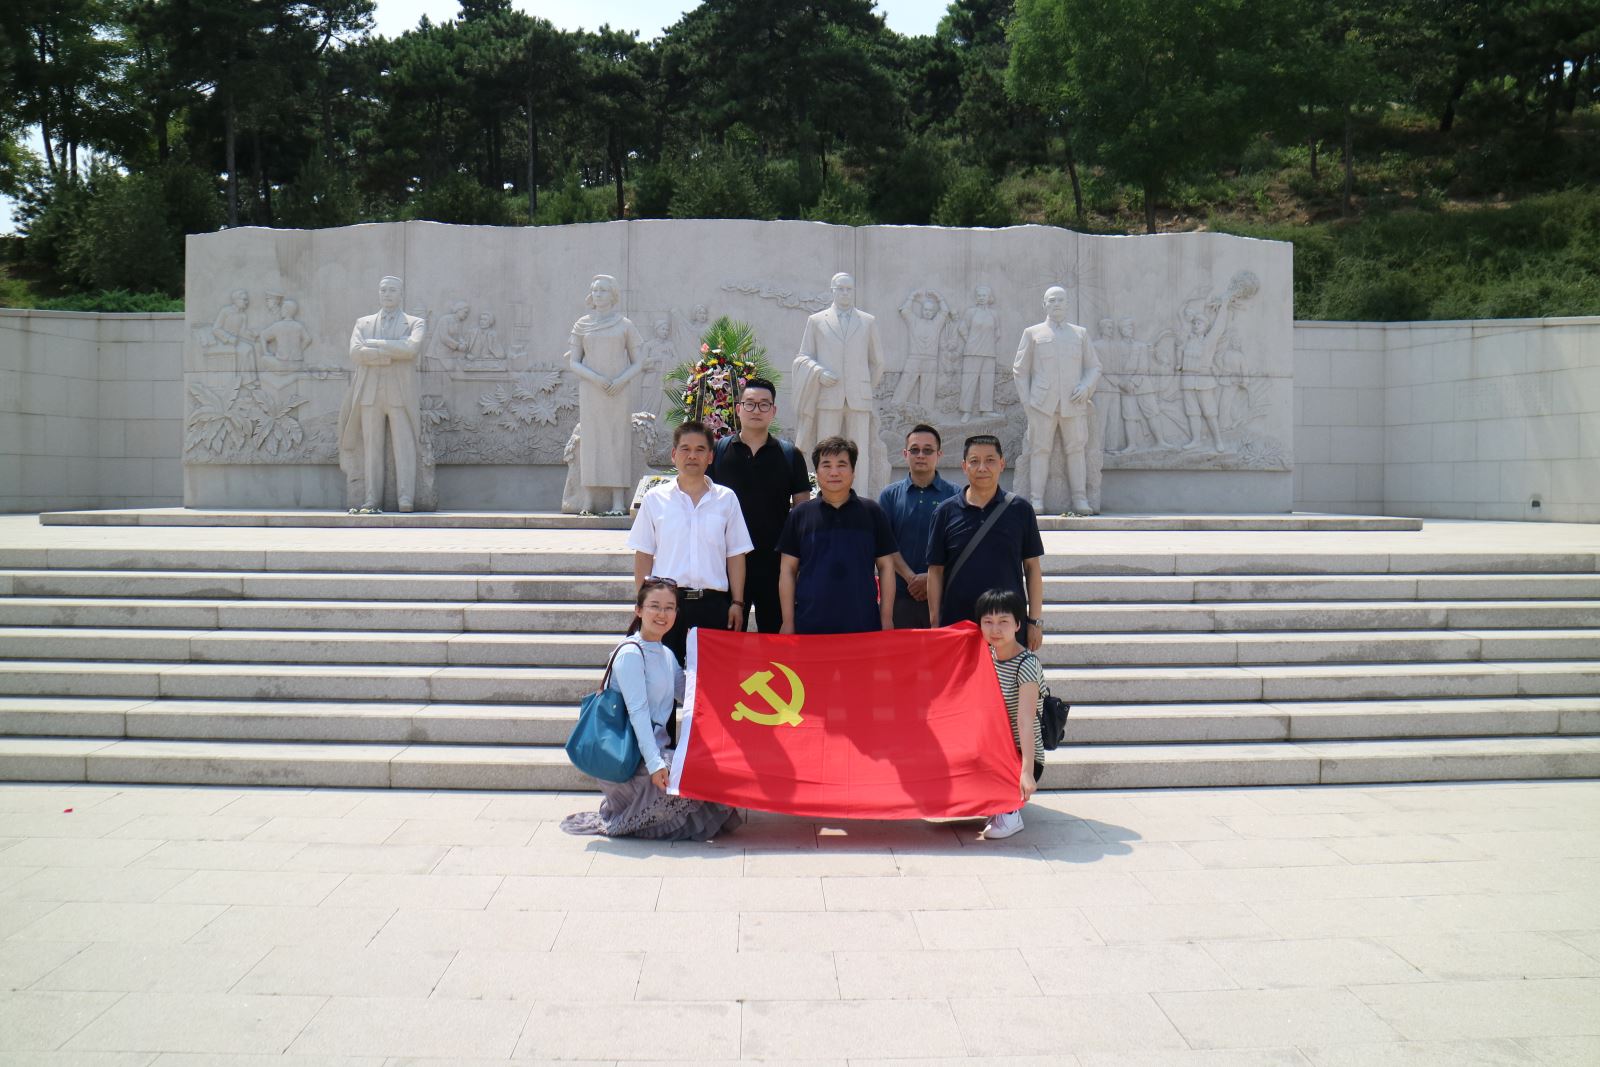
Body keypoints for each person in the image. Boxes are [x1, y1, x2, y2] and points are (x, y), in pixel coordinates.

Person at [560, 577, 743, 840]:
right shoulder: (631, 653)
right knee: (696, 780)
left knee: (713, 768)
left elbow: (691, 696)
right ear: (639, 610)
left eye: (669, 608)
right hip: (631, 760)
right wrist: (656, 765)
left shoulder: (666, 654)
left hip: (655, 753)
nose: (662, 614)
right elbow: (638, 714)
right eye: (654, 606)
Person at [627, 420, 753, 664]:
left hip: (713, 605)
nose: (692, 456)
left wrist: (737, 602)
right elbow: (643, 553)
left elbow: (736, 554)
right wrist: (644, 603)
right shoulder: (655, 499)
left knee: (714, 678)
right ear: (674, 455)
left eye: (700, 449)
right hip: (667, 604)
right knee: (663, 678)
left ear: (710, 457)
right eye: (685, 449)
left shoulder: (726, 499)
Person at [707, 377, 811, 633]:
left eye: (764, 405)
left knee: (775, 642)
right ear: (738, 408)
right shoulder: (718, 452)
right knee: (727, 641)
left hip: (775, 566)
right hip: (727, 563)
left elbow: (802, 514)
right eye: (750, 404)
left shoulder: (790, 455)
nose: (756, 410)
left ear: (773, 411)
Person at [925, 435, 1045, 651]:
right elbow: (935, 571)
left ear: (1002, 464)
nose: (982, 468)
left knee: (1006, 675)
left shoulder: (1020, 510)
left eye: (990, 460)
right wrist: (935, 624)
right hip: (958, 626)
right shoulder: (945, 512)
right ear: (964, 466)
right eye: (974, 461)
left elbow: (1032, 567)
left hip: (1007, 626)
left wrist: (1034, 621)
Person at [777, 436, 897, 634]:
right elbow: (788, 570)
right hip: (809, 625)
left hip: (863, 625)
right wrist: (788, 621)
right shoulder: (800, 515)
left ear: (853, 471)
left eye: (842, 465)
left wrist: (886, 618)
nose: (834, 472)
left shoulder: (872, 512)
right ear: (817, 472)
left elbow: (886, 566)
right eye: (826, 465)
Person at [792, 272, 887, 493]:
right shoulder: (816, 321)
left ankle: (860, 497)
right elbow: (803, 356)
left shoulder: (867, 321)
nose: (845, 293)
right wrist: (819, 372)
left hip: (859, 398)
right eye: (840, 289)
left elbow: (878, 362)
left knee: (859, 453)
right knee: (825, 451)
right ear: (832, 290)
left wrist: (864, 387)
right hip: (828, 395)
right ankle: (824, 495)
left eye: (849, 289)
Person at [339, 275, 426, 513]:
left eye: (392, 290)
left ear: (401, 294)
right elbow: (356, 353)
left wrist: (375, 344)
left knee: (404, 447)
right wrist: (390, 352)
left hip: (399, 394)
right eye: (383, 290)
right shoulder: (363, 323)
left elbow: (411, 349)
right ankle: (371, 499)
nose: (387, 294)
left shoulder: (415, 323)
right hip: (369, 394)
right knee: (371, 449)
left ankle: (406, 497)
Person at [1014, 285, 1102, 515]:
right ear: (1044, 304)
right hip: (1041, 404)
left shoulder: (1080, 334)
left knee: (1076, 450)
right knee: (1039, 450)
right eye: (1052, 300)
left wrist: (1086, 387)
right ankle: (1036, 500)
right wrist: (1027, 403)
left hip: (1073, 402)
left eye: (1060, 300)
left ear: (1068, 304)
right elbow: (1020, 370)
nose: (1056, 304)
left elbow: (1094, 367)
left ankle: (1080, 499)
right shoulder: (1032, 333)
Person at [975, 587, 1046, 840]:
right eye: (988, 622)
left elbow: (1025, 721)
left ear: (1018, 624)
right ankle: (998, 802)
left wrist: (1026, 771)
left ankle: (1010, 813)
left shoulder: (1026, 664)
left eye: (1003, 621)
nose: (995, 629)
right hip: (994, 748)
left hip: (1020, 753)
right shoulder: (987, 656)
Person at [878, 424, 958, 629]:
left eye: (928, 450)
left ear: (939, 454)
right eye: (914, 450)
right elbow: (884, 544)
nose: (921, 455)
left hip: (944, 599)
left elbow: (958, 547)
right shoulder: (889, 496)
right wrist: (911, 578)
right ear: (905, 454)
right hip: (899, 597)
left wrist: (930, 579)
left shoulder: (956, 495)